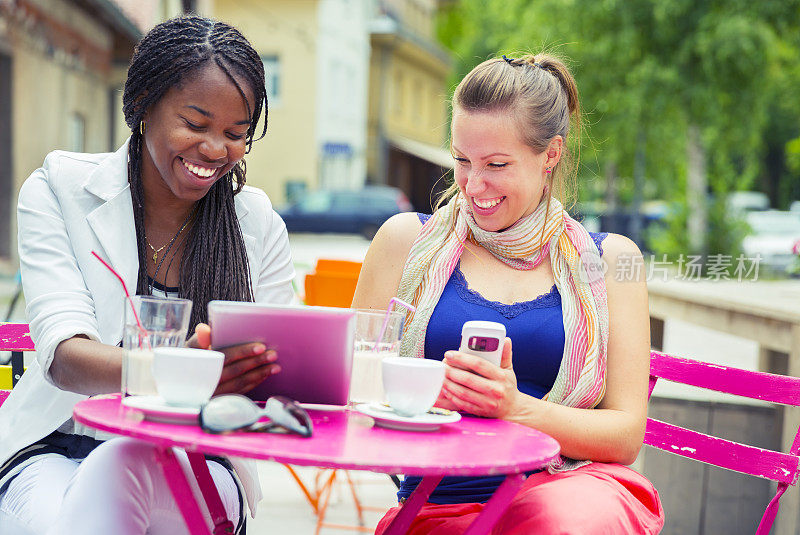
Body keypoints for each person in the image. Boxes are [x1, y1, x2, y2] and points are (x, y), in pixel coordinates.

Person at [0, 15, 295, 534]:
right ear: (142, 107)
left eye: (235, 133)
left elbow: (280, 372)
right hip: (58, 445)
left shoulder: (257, 226)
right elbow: (66, 357)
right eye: (195, 124)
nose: (214, 149)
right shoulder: (58, 190)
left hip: (202, 459)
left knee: (122, 466)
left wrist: (253, 379)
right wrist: (187, 372)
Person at [352, 53, 665, 534]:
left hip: (568, 488)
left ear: (551, 155)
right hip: (440, 502)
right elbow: (353, 388)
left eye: (497, 164)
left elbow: (625, 436)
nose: (474, 185)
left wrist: (516, 409)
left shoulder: (610, 262)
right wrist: (426, 396)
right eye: (461, 160)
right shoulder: (404, 242)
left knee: (559, 521)